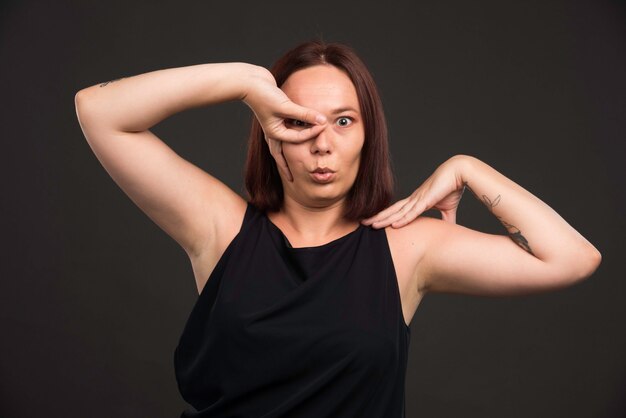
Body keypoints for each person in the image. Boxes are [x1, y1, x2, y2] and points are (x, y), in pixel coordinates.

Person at [74, 40, 601, 417]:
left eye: (344, 121)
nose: (322, 143)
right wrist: (244, 84)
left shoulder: (407, 246)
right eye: (301, 121)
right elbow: (98, 110)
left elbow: (572, 258)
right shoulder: (221, 227)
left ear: (369, 136)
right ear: (272, 131)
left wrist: (470, 168)